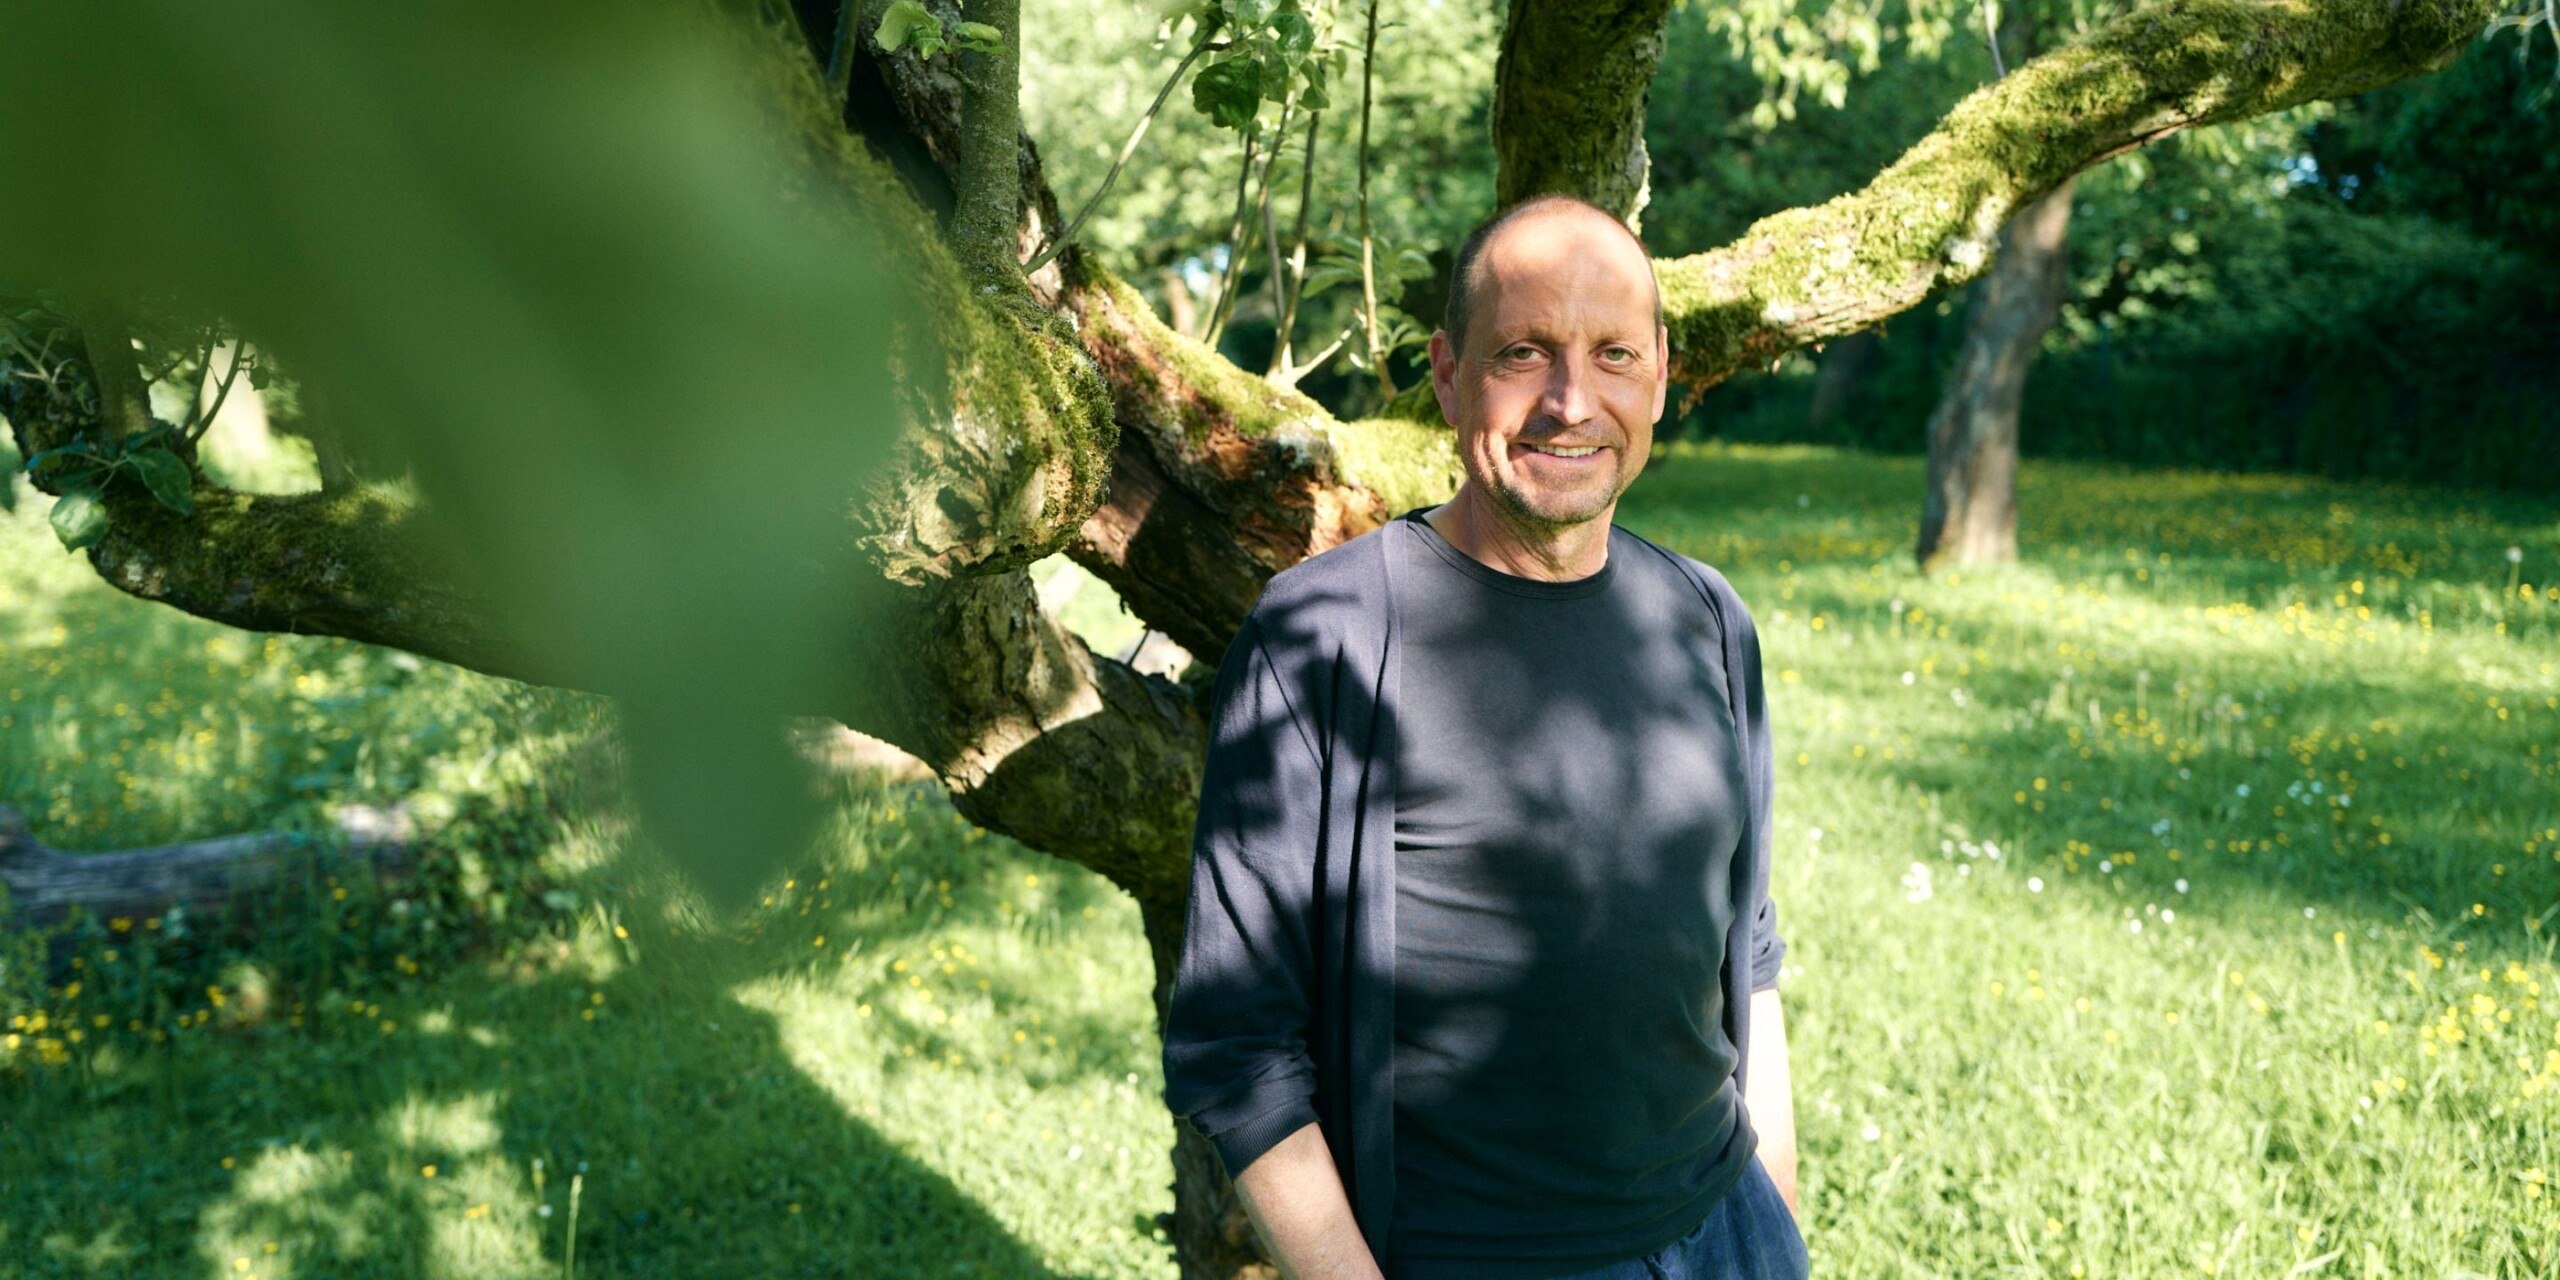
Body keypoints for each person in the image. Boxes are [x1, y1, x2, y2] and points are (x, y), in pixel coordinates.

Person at [1160, 193, 1805, 1280]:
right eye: (1524, 352)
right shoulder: (1326, 635)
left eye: (1611, 354)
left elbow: (1747, 950)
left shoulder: (1706, 617)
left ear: (1657, 372)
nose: (1571, 401)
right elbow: (1237, 1049)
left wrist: (1775, 1217)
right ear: (1449, 376)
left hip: (1727, 1227)